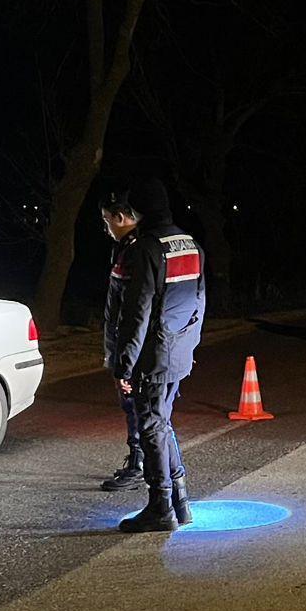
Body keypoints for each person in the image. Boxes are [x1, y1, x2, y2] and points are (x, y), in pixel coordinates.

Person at [104, 178, 206, 533]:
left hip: (153, 354)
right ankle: (180, 500)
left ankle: (160, 506)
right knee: (162, 423)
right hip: (179, 349)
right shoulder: (190, 244)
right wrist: (189, 346)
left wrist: (124, 365)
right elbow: (200, 300)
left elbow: (138, 313)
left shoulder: (147, 248)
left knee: (150, 427)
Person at [97, 192, 146, 493]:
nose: (106, 228)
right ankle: (140, 460)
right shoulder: (127, 249)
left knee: (136, 406)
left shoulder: (136, 250)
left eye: (107, 221)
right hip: (127, 346)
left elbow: (132, 312)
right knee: (136, 407)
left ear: (120, 218)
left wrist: (124, 363)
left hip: (132, 349)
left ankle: (140, 464)